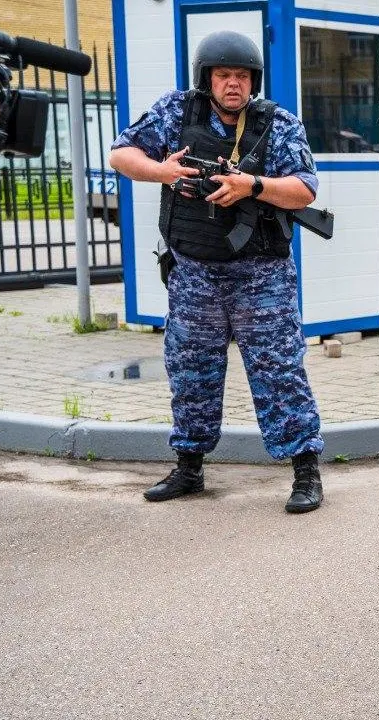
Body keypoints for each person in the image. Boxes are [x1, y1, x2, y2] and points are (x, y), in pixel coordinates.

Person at [108, 31, 326, 513]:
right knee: (190, 372)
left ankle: (305, 472)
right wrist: (162, 171)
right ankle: (189, 468)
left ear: (254, 80)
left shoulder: (278, 124)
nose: (233, 84)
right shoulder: (177, 111)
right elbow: (121, 154)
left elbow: (305, 190)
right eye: (224, 75)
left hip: (261, 277)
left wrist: (252, 185)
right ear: (207, 78)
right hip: (194, 275)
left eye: (242, 76)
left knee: (279, 372)